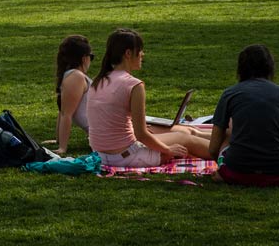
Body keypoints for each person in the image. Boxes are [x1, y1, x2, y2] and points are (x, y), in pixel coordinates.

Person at [84, 28, 212, 165]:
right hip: (125, 155)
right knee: (186, 138)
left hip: (102, 155)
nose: (142, 54)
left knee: (178, 130)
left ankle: (227, 139)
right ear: (128, 53)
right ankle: (228, 155)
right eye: (139, 50)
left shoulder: (98, 81)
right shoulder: (133, 85)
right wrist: (168, 149)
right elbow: (141, 135)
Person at [207, 44, 279, 186]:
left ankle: (228, 174)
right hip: (277, 173)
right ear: (270, 67)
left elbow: (213, 149)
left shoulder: (230, 94)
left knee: (228, 133)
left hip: (236, 172)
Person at [54, 34, 94, 156]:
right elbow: (66, 114)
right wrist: (62, 147)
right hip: (108, 131)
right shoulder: (76, 77)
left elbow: (63, 111)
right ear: (84, 58)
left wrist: (59, 141)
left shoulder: (70, 76)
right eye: (91, 57)